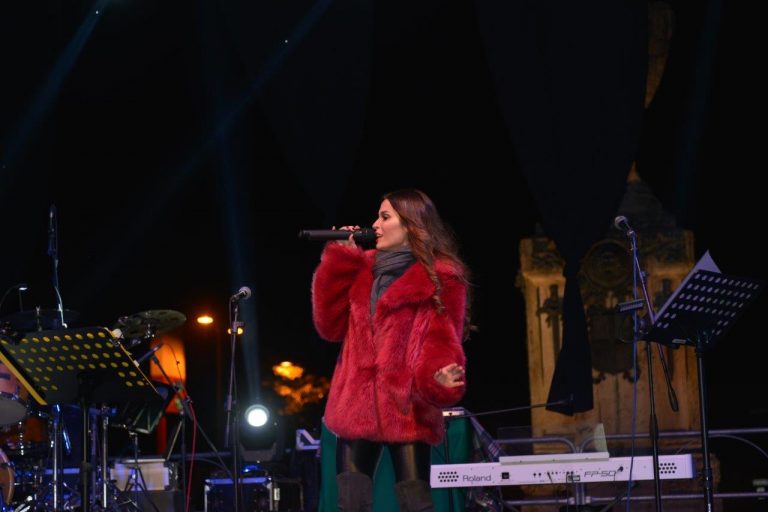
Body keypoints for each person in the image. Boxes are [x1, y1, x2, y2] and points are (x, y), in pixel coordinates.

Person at [311, 189, 469, 512]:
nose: (375, 225)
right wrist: (340, 259)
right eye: (377, 217)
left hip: (407, 406)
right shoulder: (360, 269)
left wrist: (440, 379)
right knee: (350, 502)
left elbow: (442, 342)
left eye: (385, 217)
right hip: (356, 403)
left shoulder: (441, 277)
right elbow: (328, 327)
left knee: (415, 502)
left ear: (411, 225)